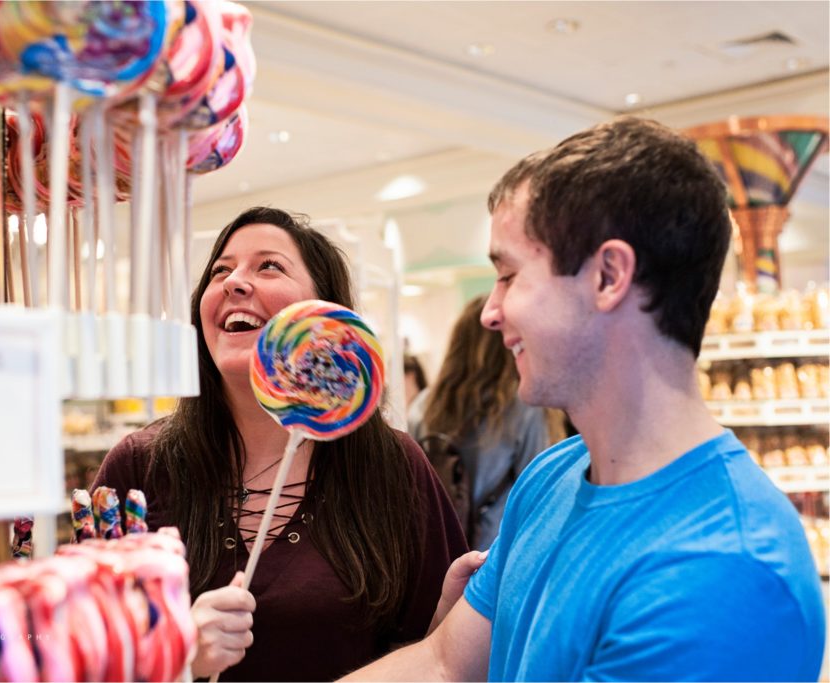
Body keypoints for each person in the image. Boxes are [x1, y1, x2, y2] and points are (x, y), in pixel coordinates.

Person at [343, 117, 826, 681]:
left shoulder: (723, 570)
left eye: (509, 275)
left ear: (607, 276)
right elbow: (445, 662)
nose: (489, 312)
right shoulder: (555, 473)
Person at [92, 206, 468, 682]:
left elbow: (436, 652)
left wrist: (445, 629)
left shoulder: (390, 466)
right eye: (220, 271)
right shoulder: (139, 468)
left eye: (268, 265)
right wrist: (175, 655)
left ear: (325, 312)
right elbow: (82, 654)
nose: (234, 282)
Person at [409, 294, 566, 551]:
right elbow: (542, 491)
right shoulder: (525, 406)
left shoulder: (424, 405)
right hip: (498, 553)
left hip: (438, 550)